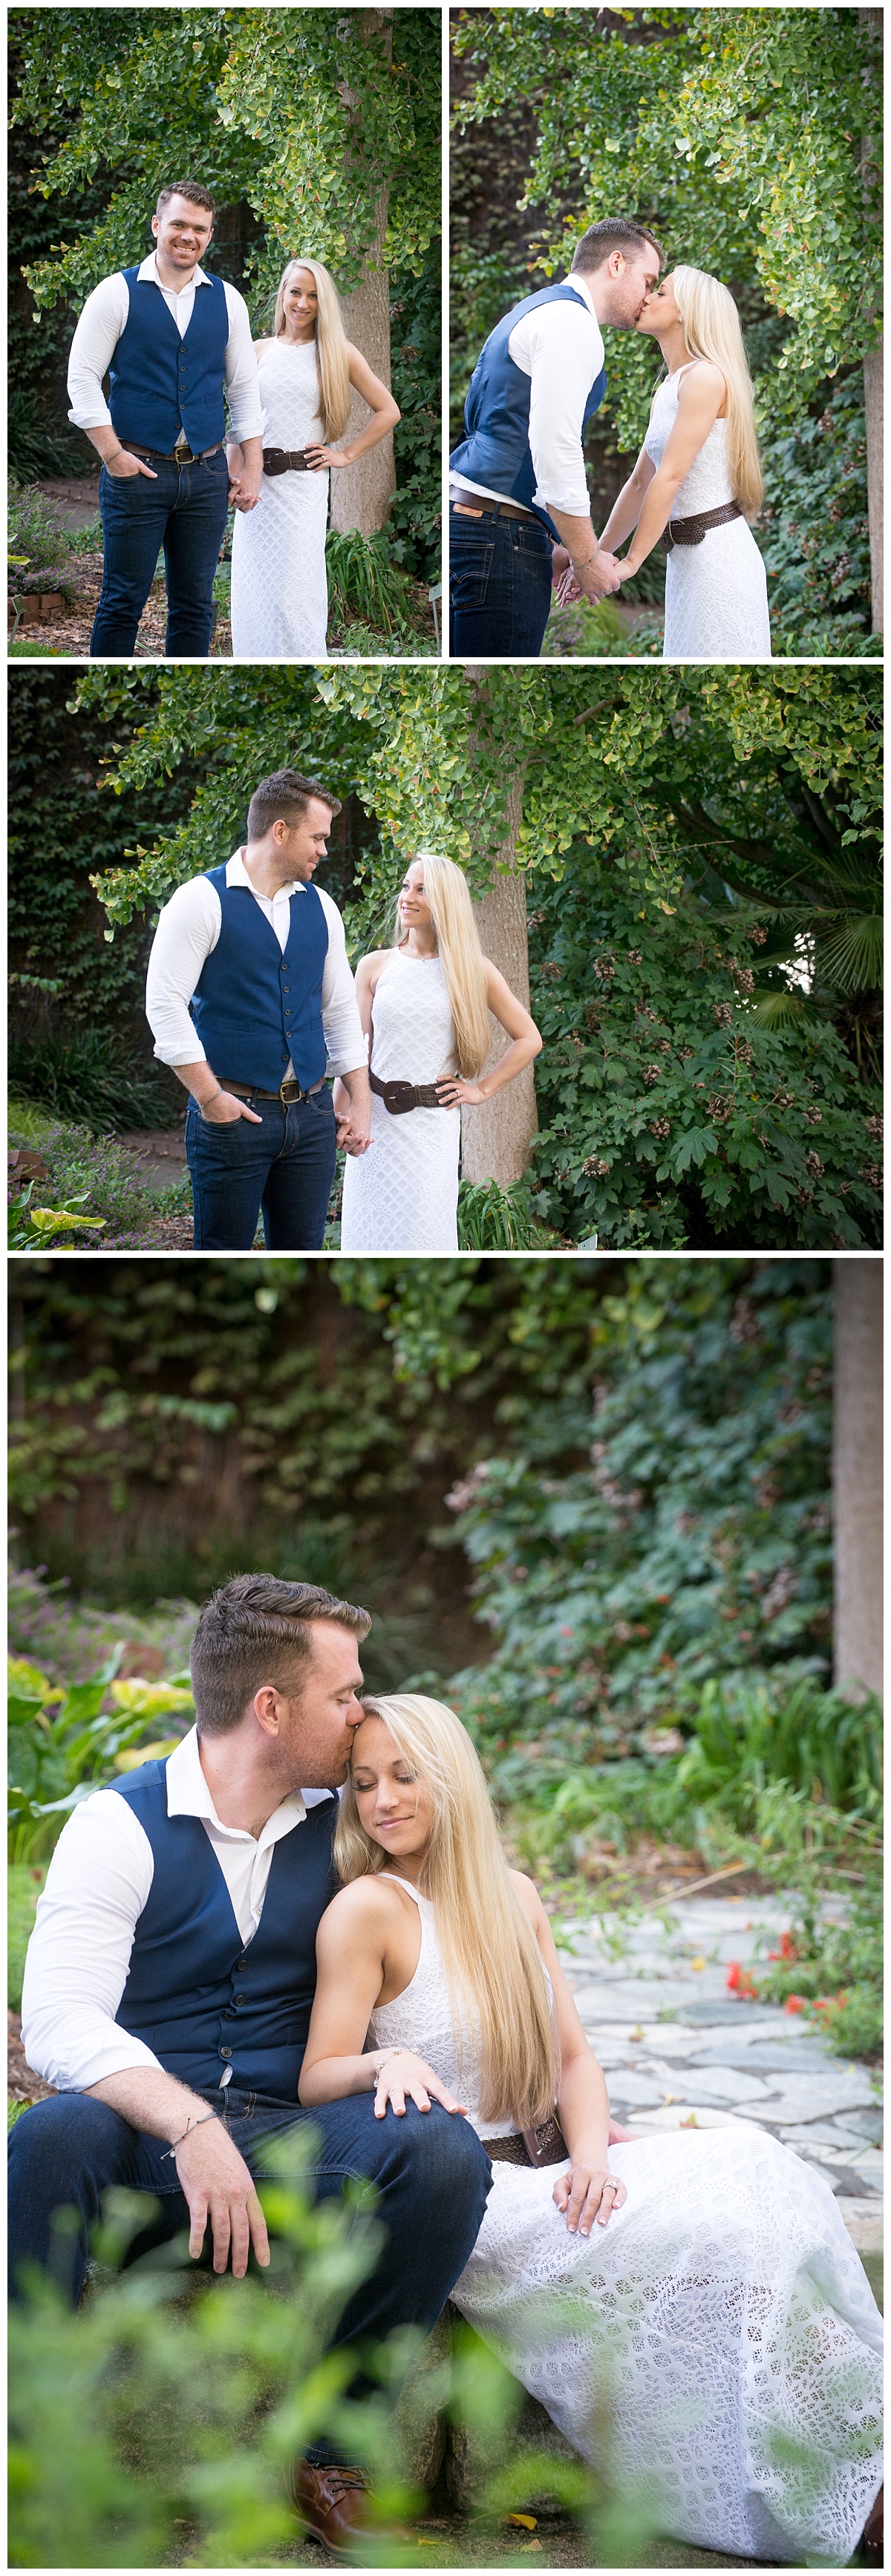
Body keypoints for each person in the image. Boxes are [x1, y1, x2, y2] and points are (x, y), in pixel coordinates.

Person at [301, 1692, 884, 2569]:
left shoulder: (514, 1896)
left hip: (558, 2164)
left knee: (758, 2168)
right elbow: (316, 2077)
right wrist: (384, 2065)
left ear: (452, 1777)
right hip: (473, 2194)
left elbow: (573, 2057)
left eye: (406, 1775)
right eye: (365, 1781)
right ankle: (841, 2499)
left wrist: (589, 2154)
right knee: (710, 2236)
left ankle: (856, 2463)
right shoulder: (368, 1910)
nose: (383, 1798)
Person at [8, 1579, 496, 2557]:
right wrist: (187, 2125)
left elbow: (466, 1932)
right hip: (143, 2158)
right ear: (272, 1708)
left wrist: (554, 2099)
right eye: (344, 1692)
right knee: (52, 2132)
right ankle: (28, 2451)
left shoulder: (349, 1823)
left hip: (292, 2146)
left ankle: (328, 2456)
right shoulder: (119, 1825)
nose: (360, 1711)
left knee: (440, 2153)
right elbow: (58, 2020)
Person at [145, 769, 371, 1250]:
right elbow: (164, 1006)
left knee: (305, 1258)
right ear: (280, 832)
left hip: (312, 1119)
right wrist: (210, 1097)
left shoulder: (323, 907)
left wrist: (362, 1102)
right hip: (232, 1117)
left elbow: (340, 1011)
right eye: (318, 837)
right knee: (223, 1254)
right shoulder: (199, 902)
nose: (324, 850)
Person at [448, 217, 663, 657]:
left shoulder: (539, 308)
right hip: (497, 539)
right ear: (616, 264)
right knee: (495, 699)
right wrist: (586, 560)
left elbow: (514, 434)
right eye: (649, 281)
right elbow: (554, 449)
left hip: (483, 525)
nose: (648, 297)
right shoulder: (572, 324)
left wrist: (554, 547)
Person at [67, 182, 264, 659]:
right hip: (137, 471)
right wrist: (113, 455)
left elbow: (242, 388)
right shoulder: (116, 293)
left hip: (207, 474)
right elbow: (81, 379)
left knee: (196, 606)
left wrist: (252, 466)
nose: (187, 236)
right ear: (158, 225)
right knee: (121, 603)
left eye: (199, 228)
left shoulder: (228, 300)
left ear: (210, 235)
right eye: (178, 224)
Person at [337, 851, 542, 1251]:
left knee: (423, 1237)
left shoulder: (472, 971)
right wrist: (341, 1118)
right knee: (368, 1239)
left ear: (445, 901)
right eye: (405, 887)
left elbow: (529, 1038)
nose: (407, 897)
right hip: (376, 1124)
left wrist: (480, 1090)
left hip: (431, 1132)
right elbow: (354, 1053)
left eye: (422, 890)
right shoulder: (375, 966)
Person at [590, 264, 772, 660]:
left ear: (686, 311)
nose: (648, 297)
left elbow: (670, 478)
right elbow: (640, 483)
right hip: (687, 563)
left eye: (662, 292)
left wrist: (632, 563)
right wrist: (595, 559)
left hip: (718, 562)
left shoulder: (705, 378)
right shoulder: (669, 388)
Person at [227, 257, 401, 660]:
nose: (302, 303)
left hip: (302, 489)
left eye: (313, 296)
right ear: (282, 293)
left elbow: (388, 410)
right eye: (296, 292)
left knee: (293, 594)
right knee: (254, 591)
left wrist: (345, 455)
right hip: (256, 489)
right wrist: (235, 478)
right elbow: (240, 425)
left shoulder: (337, 352)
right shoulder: (257, 352)